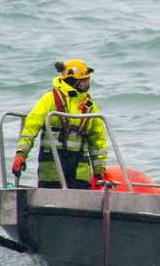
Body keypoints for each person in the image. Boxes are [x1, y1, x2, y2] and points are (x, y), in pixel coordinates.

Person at [11, 60, 108, 189]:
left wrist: (99, 169)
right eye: (84, 80)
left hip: (80, 170)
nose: (87, 84)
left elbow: (98, 140)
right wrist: (21, 154)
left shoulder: (90, 106)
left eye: (88, 80)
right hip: (52, 167)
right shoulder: (49, 99)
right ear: (72, 81)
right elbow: (31, 126)